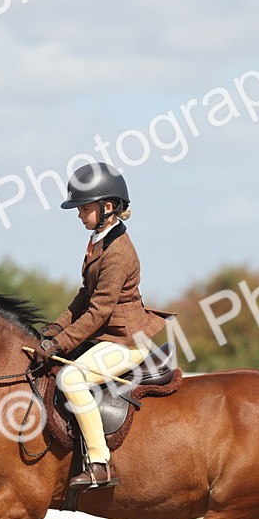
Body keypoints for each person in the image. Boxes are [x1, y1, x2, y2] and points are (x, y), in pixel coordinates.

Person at [33, 163, 172, 489]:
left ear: (107, 208)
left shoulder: (119, 252)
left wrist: (59, 345)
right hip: (106, 337)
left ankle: (99, 463)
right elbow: (85, 296)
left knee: (72, 377)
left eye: (84, 209)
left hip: (126, 341)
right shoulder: (100, 240)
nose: (80, 216)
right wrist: (54, 329)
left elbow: (98, 312)